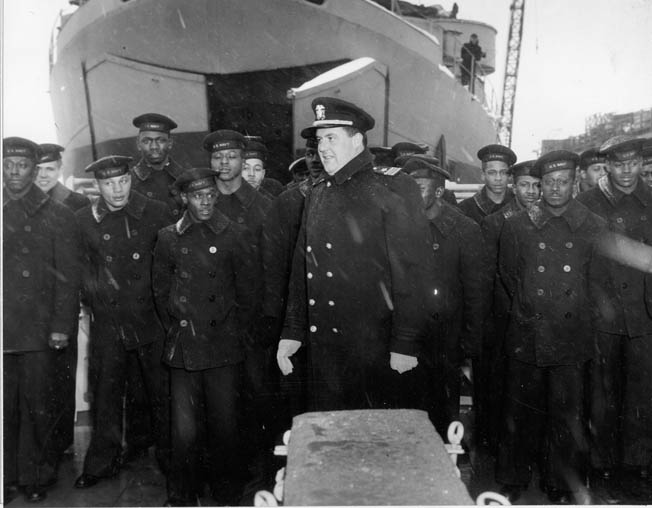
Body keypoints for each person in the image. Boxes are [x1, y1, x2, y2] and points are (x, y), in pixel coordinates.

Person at [276, 97, 435, 411]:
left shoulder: (392, 189)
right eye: (320, 140)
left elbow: (413, 273)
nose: (322, 148)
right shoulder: (318, 193)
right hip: (324, 348)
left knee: (372, 443)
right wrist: (292, 331)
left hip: (374, 348)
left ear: (358, 140)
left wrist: (405, 342)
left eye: (331, 138)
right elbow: (301, 269)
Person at [496, 150, 606, 504]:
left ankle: (560, 484)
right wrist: (532, 306)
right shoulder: (516, 223)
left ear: (574, 183)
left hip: (571, 335)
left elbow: (596, 282)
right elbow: (509, 275)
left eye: (563, 182)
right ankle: (513, 479)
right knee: (520, 413)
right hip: (528, 329)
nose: (555, 189)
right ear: (539, 185)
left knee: (565, 413)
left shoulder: (593, 225)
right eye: (549, 183)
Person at [152, 168, 258, 506]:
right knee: (184, 430)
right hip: (184, 347)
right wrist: (178, 325)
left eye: (211, 194)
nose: (207, 201)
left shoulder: (234, 235)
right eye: (199, 196)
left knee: (225, 425)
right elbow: (160, 291)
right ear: (184, 198)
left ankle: (227, 492)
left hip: (223, 346)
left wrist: (231, 333)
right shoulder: (168, 237)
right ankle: (184, 493)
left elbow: (248, 294)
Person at [74, 156, 171, 489]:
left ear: (131, 179)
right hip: (109, 322)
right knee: (106, 395)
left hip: (150, 320)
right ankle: (101, 462)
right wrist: (97, 294)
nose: (117, 189)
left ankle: (173, 461)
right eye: (108, 183)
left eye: (122, 181)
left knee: (160, 394)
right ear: (98, 186)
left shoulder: (157, 212)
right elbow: (82, 269)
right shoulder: (84, 219)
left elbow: (169, 261)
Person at [3, 137, 81, 503]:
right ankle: (6, 476)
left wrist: (61, 326)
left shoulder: (57, 214)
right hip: (4, 327)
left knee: (37, 406)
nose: (15, 171)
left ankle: (36, 476)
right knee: (5, 407)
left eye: (22, 165)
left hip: (38, 328)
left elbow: (67, 276)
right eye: (9, 164)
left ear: (35, 170)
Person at [576, 135, 652, 481]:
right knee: (601, 394)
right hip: (601, 315)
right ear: (606, 165)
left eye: (633, 163)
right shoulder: (588, 202)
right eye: (618, 164)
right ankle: (601, 467)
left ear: (641, 163)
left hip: (643, 315)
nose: (626, 171)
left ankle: (635, 467)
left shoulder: (651, 199)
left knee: (640, 395)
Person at [202, 129, 276, 472]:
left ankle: (258, 468)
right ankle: (221, 469)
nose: (224, 163)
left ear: (242, 161)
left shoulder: (264, 207)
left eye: (231, 157)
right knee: (214, 401)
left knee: (255, 394)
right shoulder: (200, 202)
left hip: (252, 320)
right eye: (218, 157)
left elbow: (274, 267)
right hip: (209, 320)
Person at [403, 157, 484, 435]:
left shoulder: (464, 230)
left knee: (442, 411)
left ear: (438, 191)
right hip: (404, 337)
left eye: (420, 188)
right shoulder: (395, 225)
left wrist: (469, 343)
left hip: (445, 340)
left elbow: (475, 293)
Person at [260, 135, 325, 422]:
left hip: (329, 310)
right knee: (297, 390)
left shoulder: (344, 197)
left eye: (319, 152)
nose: (314, 159)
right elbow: (274, 265)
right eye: (309, 153)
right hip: (296, 310)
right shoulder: (288, 202)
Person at [479, 159, 540, 452]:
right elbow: (491, 275)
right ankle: (497, 442)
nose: (531, 191)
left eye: (536, 186)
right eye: (525, 185)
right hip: (505, 317)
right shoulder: (496, 222)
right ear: (514, 186)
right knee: (502, 383)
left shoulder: (546, 219)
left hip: (539, 318)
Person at [34, 143, 89, 462]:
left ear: (60, 169)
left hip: (64, 300)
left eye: (50, 169)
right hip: (28, 307)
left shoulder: (77, 203)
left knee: (63, 374)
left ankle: (62, 440)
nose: (43, 176)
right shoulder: (14, 202)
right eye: (38, 169)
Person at [130, 113, 186, 218]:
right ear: (138, 144)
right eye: (146, 141)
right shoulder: (129, 183)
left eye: (160, 140)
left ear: (170, 143)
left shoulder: (186, 178)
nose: (154, 147)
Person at [458, 144, 516, 224]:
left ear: (509, 175)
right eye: (492, 173)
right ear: (483, 175)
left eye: (503, 172)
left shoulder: (518, 204)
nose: (498, 178)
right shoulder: (466, 209)